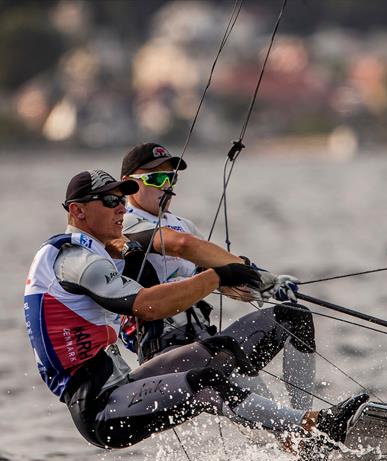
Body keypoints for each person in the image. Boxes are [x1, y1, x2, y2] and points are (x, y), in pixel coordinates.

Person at [23, 169, 366, 461]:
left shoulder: (95, 252)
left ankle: (301, 441)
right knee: (206, 382)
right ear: (77, 211)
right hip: (100, 410)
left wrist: (249, 280)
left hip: (121, 383)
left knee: (216, 351)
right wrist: (215, 277)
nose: (121, 207)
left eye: (123, 198)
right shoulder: (73, 260)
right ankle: (309, 428)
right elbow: (147, 305)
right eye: (110, 200)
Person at [117, 143, 317, 410]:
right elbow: (183, 245)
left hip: (207, 340)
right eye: (156, 178)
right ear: (128, 184)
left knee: (295, 316)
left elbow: (215, 273)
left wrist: (255, 288)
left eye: (172, 177)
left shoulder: (182, 224)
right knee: (230, 358)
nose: (167, 186)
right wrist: (256, 275)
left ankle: (306, 422)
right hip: (165, 355)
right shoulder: (123, 225)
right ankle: (294, 432)